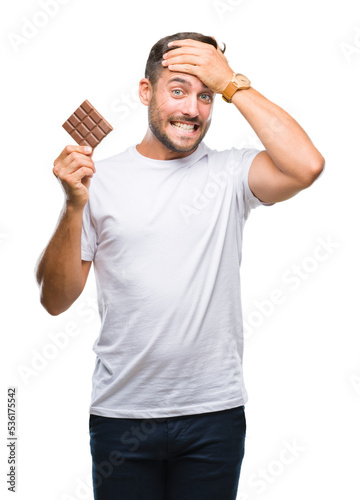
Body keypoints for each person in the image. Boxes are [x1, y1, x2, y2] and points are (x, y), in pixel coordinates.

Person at [35, 31, 325, 500]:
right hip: (120, 417)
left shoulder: (231, 172)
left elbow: (306, 166)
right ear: (146, 91)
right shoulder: (97, 181)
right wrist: (72, 206)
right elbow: (54, 300)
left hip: (214, 417)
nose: (193, 109)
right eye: (178, 90)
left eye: (205, 94)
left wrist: (232, 83)